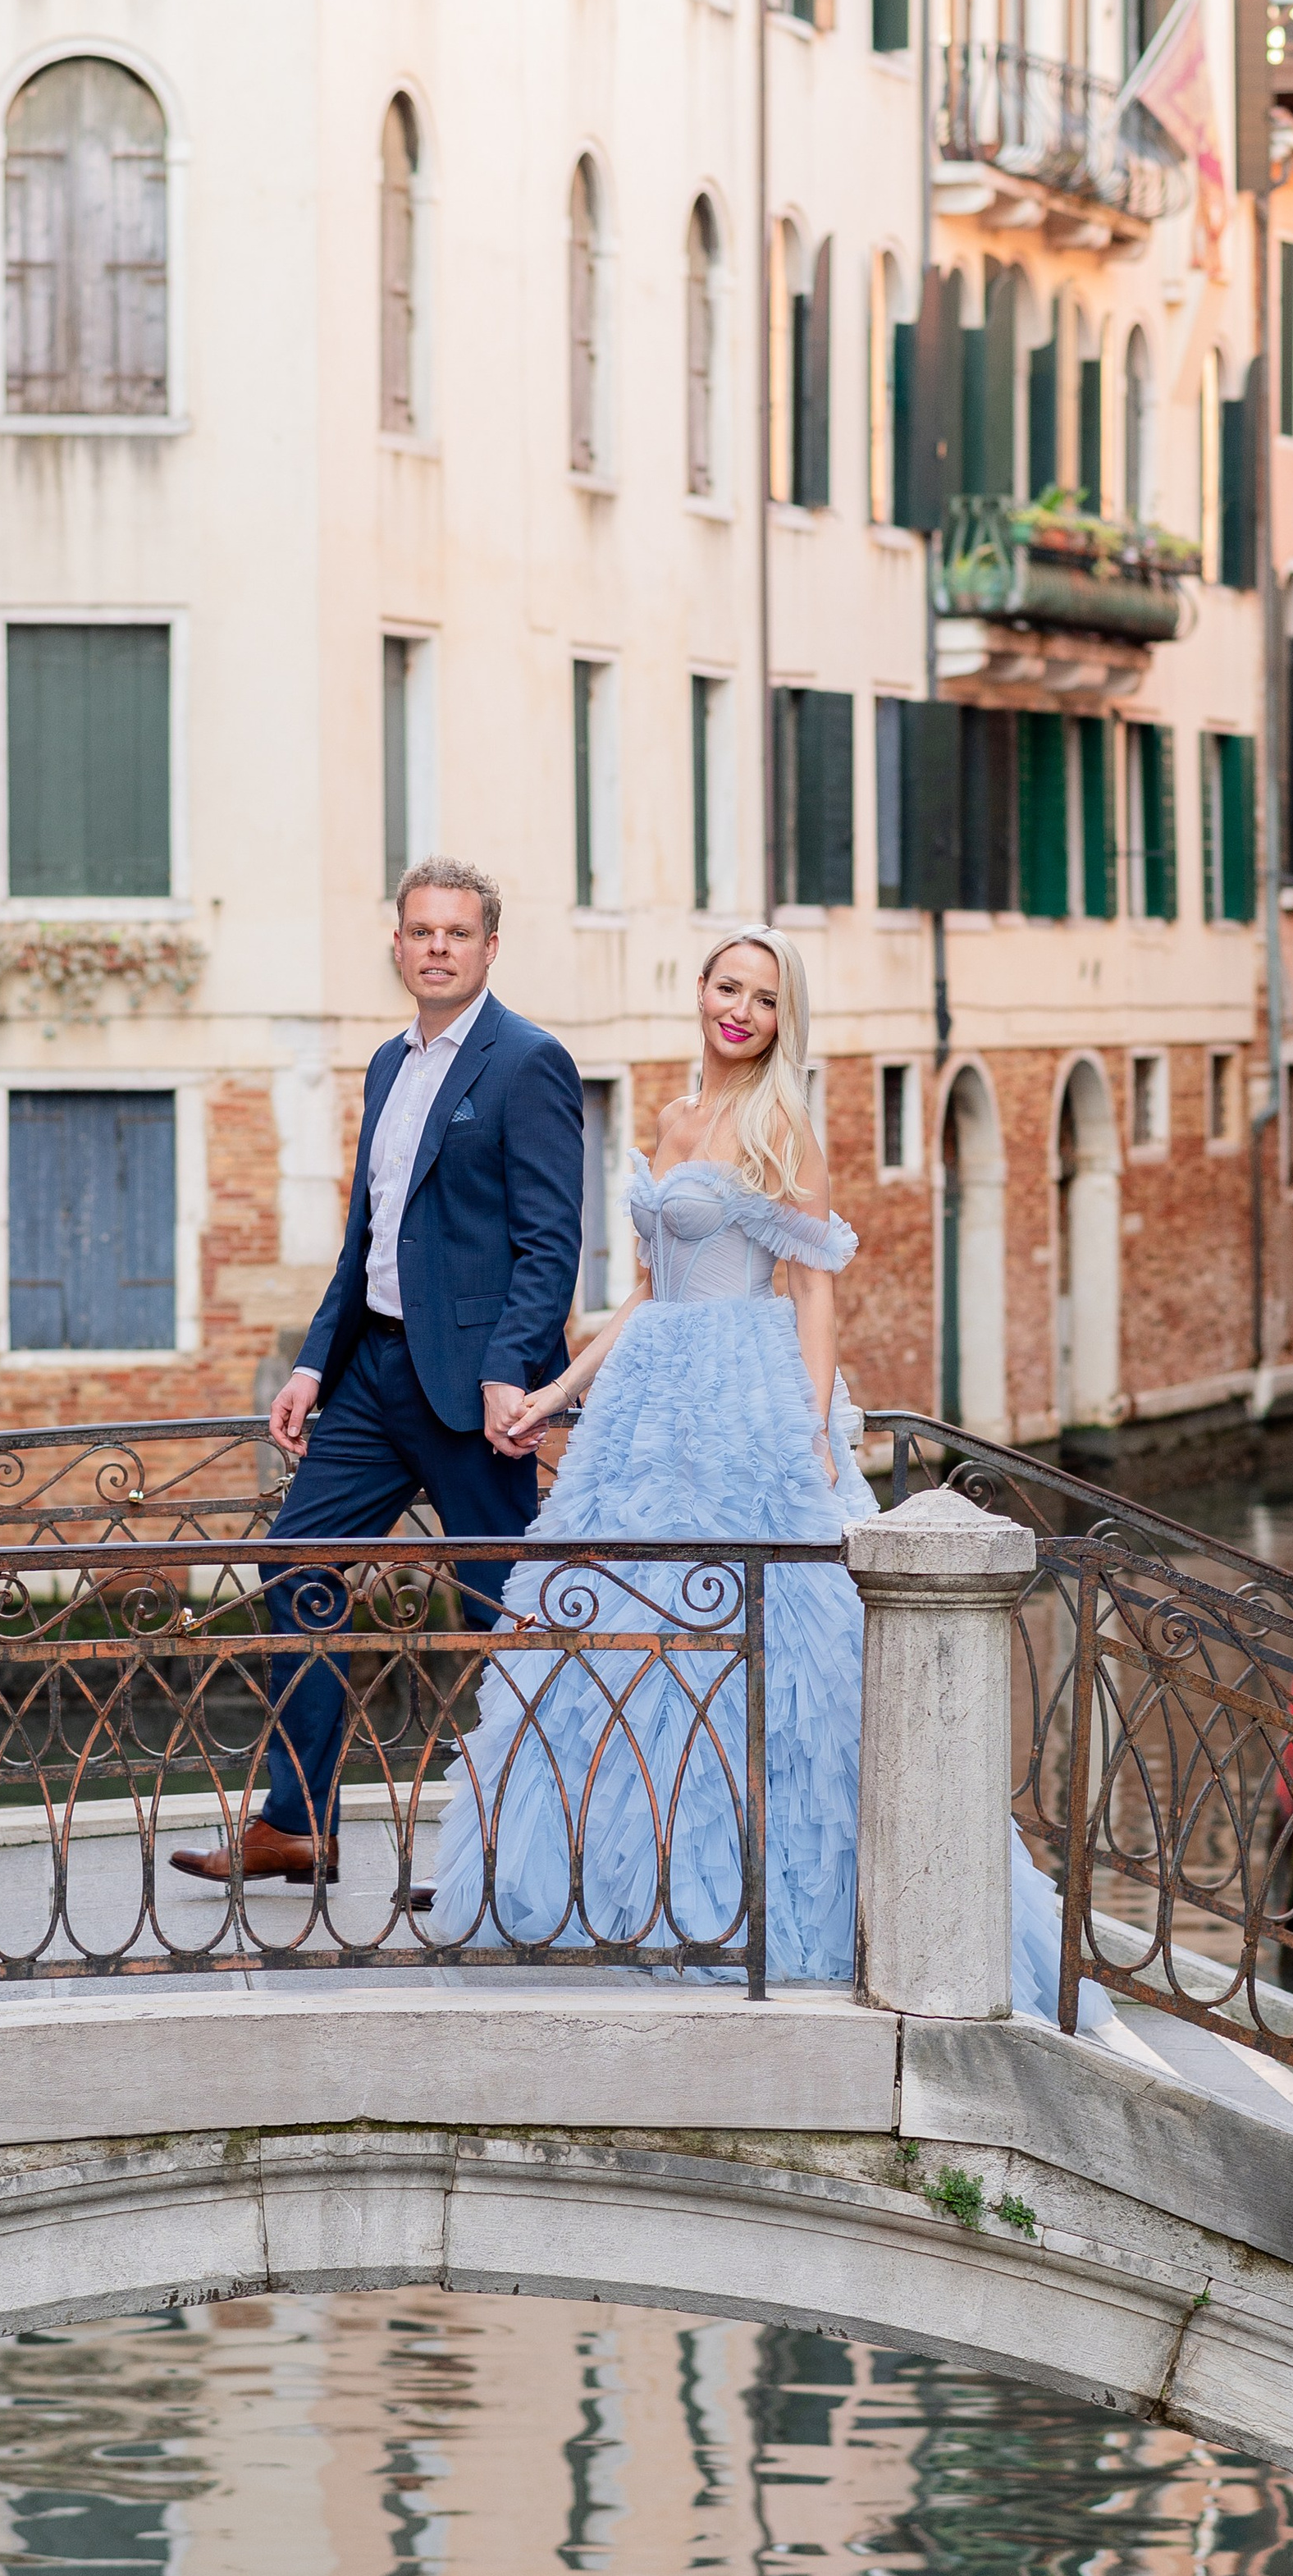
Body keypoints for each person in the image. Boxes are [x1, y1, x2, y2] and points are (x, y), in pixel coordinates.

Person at [427, 923, 1101, 2018]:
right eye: (728, 988)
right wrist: (555, 1393)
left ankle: (754, 1906)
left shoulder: (780, 1121)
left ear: (788, 1020)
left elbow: (813, 1289)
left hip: (740, 1396)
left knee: (766, 1655)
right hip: (648, 1400)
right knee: (611, 1639)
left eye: (765, 999)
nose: (740, 1010)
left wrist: (808, 1432)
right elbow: (649, 1285)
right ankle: (618, 1893)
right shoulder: (675, 1111)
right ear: (700, 992)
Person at [170, 862, 583, 1887]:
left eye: (457, 931)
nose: (437, 946)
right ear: (397, 946)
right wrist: (315, 1359)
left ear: (490, 947)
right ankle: (297, 1822)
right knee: (296, 1562)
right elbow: (368, 1236)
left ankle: (548, 1836)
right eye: (420, 931)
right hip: (374, 1373)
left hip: (474, 1394)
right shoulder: (387, 1066)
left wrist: (508, 1375)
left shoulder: (529, 1062)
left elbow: (549, 1244)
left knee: (507, 1610)